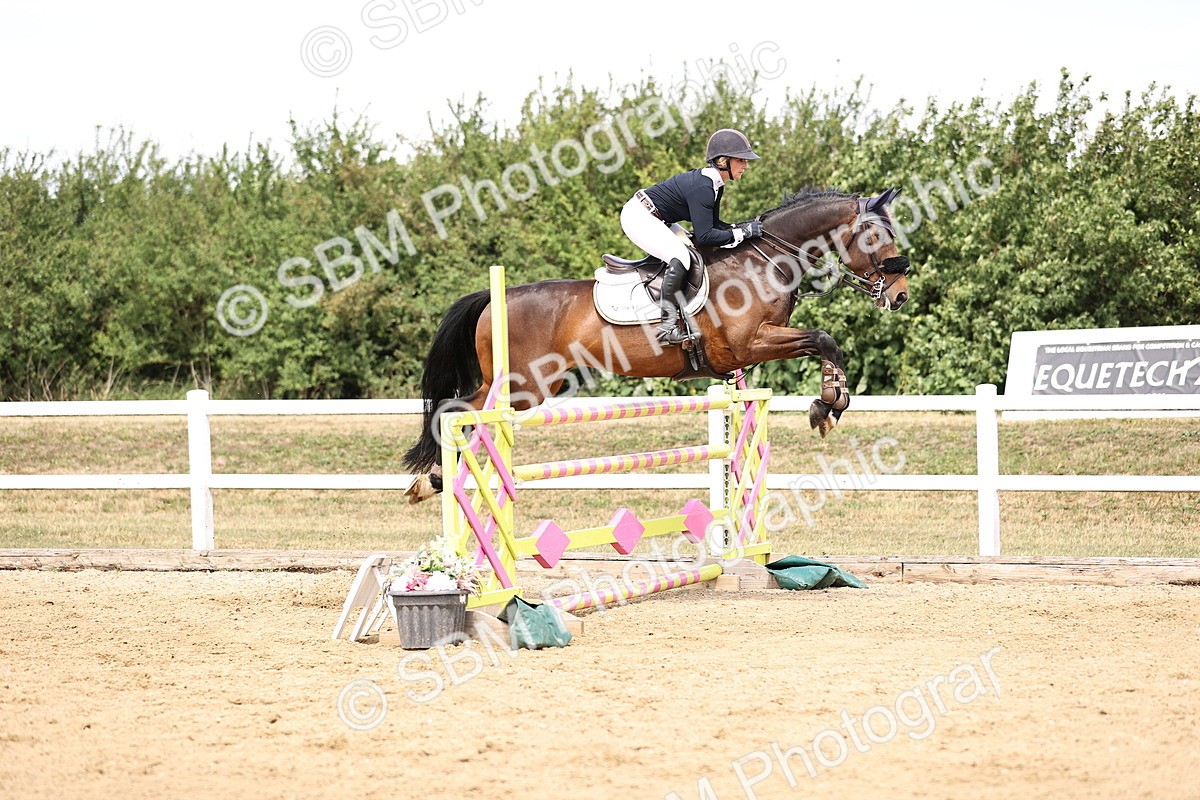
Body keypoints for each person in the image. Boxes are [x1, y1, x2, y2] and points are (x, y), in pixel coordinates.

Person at [620, 128, 765, 344]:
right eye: (741, 160)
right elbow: (706, 236)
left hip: (658, 218)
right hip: (638, 216)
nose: (746, 166)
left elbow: (715, 226)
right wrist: (742, 233)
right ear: (723, 160)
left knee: (692, 252)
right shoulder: (704, 187)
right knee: (681, 257)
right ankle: (667, 327)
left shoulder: (716, 185)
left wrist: (744, 229)